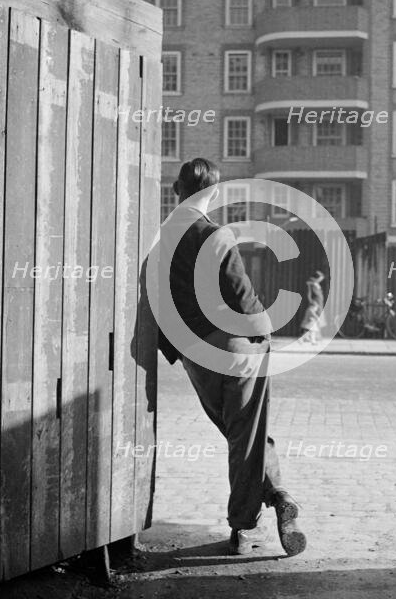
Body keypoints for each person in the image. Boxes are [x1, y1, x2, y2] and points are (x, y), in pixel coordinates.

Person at [156, 158, 306, 557]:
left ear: (177, 190)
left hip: (195, 355)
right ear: (214, 193)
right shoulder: (215, 234)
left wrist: (177, 349)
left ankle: (276, 495)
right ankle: (246, 527)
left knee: (243, 435)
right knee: (246, 436)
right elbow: (242, 295)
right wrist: (265, 334)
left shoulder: (159, 240)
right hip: (238, 349)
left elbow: (156, 301)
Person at [299, 270, 325, 345]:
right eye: (320, 278)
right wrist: (311, 301)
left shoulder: (315, 284)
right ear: (317, 278)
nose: (321, 279)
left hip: (319, 303)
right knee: (313, 321)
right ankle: (309, 338)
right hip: (316, 303)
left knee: (313, 322)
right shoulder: (312, 284)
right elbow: (309, 294)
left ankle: (311, 338)